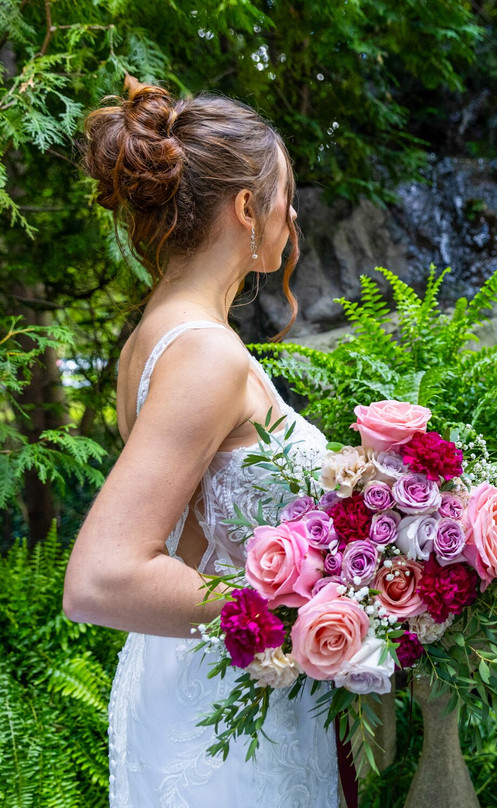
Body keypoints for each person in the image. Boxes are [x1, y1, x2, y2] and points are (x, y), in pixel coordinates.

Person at [63, 76, 340, 807]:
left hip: (199, 683)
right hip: (225, 709)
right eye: (286, 193)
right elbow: (103, 577)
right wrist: (302, 600)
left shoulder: (151, 341)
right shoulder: (206, 355)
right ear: (247, 207)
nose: (294, 212)